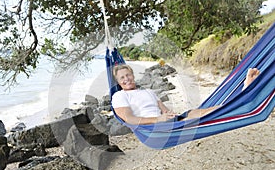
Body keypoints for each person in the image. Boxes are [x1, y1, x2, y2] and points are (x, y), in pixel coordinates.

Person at [111, 65, 260, 125]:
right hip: (153, 127)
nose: (126, 79)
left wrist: (167, 114)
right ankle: (242, 99)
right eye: (122, 78)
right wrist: (158, 119)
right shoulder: (119, 96)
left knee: (203, 111)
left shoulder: (148, 92)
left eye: (128, 75)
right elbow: (129, 119)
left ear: (133, 76)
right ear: (118, 82)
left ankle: (241, 97)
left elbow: (165, 110)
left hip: (170, 121)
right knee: (196, 116)